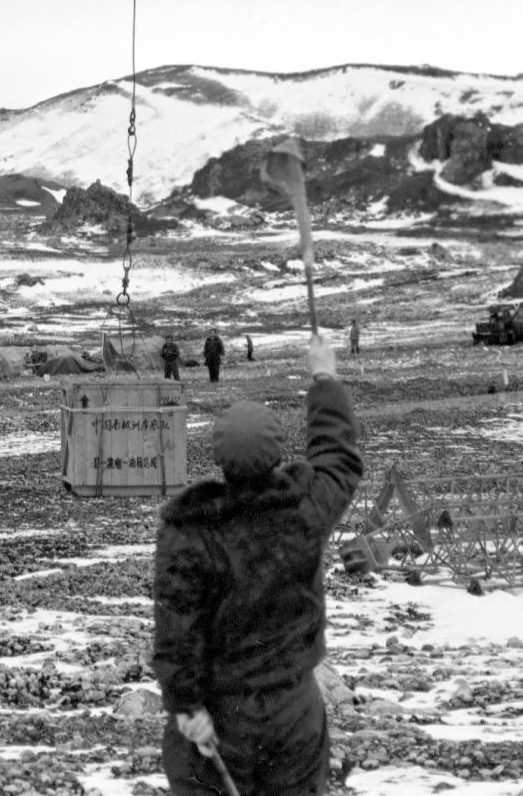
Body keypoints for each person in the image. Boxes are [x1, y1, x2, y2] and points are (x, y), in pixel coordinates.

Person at [152, 332, 363, 796]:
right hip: (294, 712)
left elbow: (177, 633)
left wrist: (187, 708)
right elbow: (339, 460)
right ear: (275, 453)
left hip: (219, 716)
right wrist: (324, 378)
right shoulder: (303, 511)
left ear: (219, 456)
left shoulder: (188, 532)